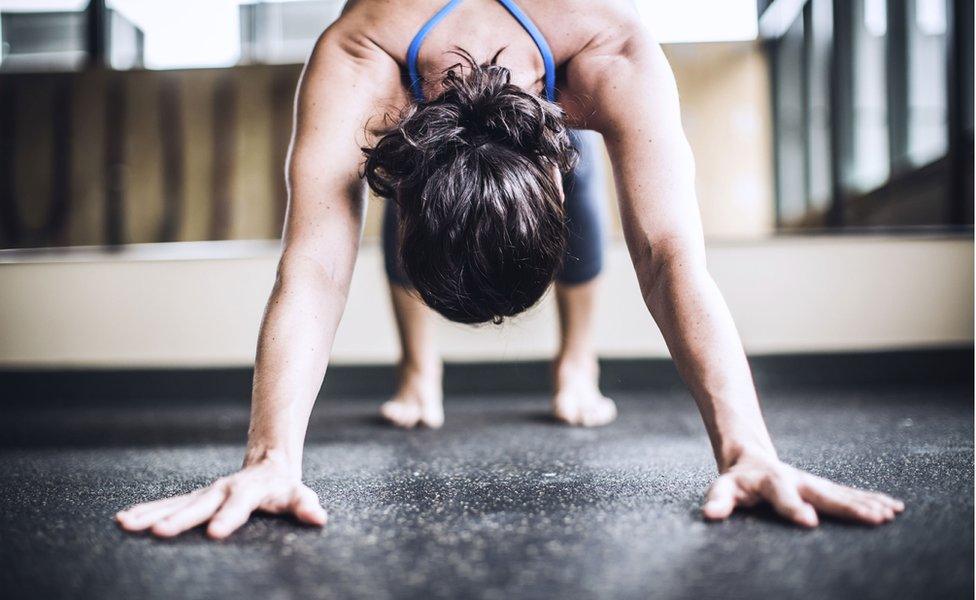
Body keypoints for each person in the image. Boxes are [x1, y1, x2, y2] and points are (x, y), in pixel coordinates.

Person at [116, 0, 904, 540]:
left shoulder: (612, 48)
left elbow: (667, 256)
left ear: (558, 167)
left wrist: (747, 447)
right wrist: (270, 458)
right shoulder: (362, 53)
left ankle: (578, 362)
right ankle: (420, 371)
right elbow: (316, 266)